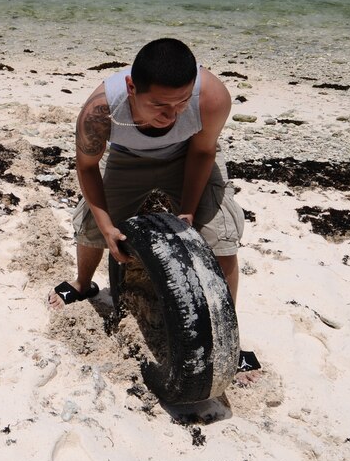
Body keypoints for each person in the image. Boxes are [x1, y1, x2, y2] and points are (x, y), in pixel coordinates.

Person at [48, 37, 245, 309]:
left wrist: (188, 210)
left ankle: (226, 327)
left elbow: (202, 153)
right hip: (126, 156)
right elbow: (87, 166)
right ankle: (83, 283)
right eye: (159, 105)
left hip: (187, 154)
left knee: (220, 237)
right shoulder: (100, 111)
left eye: (181, 103)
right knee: (91, 225)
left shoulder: (213, 98)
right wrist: (107, 229)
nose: (171, 116)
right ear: (131, 87)